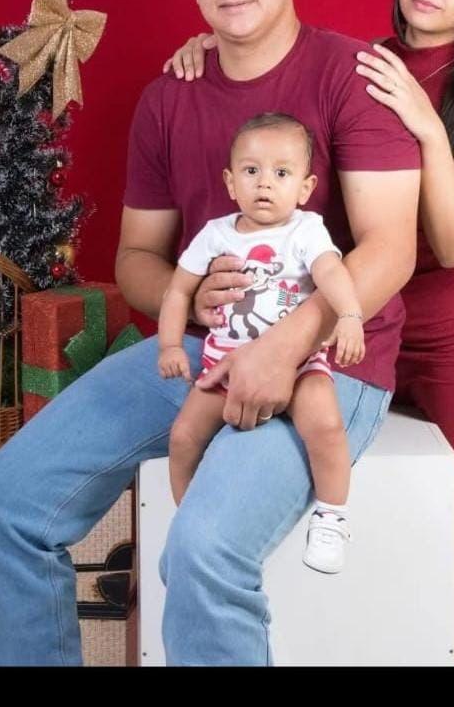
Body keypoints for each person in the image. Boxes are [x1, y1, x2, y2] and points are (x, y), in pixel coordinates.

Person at [0, 0, 421, 666]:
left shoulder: (350, 76)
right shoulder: (167, 100)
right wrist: (195, 296)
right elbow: (136, 259)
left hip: (327, 361)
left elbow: (390, 248)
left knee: (202, 550)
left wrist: (282, 346)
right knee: (3, 505)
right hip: (204, 351)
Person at [163, 0, 454, 665]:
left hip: (451, 330)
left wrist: (425, 125)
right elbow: (283, 133)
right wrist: (215, 45)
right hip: (359, 316)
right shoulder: (363, 61)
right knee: (376, 499)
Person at [160, 112, 365, 574]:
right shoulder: (216, 234)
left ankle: (331, 517)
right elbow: (178, 290)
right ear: (231, 182)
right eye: (251, 171)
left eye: (282, 173)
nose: (265, 183)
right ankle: (186, 517)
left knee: (326, 425)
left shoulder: (305, 230)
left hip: (298, 364)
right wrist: (170, 345)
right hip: (224, 365)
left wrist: (351, 315)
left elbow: (331, 271)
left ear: (306, 188)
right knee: (183, 437)